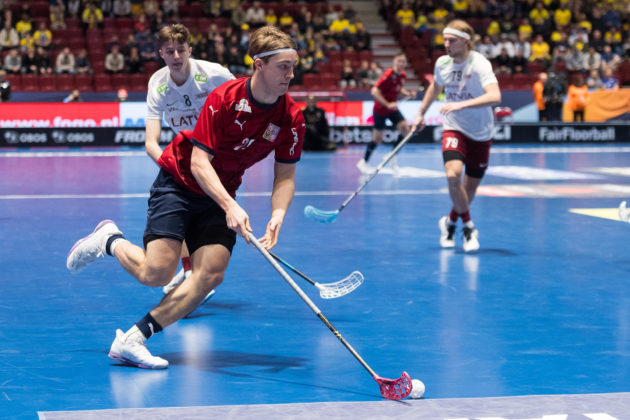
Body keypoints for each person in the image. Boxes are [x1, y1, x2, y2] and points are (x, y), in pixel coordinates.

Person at [66, 25, 304, 369]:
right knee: (156, 274)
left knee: (210, 274)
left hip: (221, 190)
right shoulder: (224, 99)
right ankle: (110, 240)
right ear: (259, 65)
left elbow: (285, 176)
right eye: (284, 66)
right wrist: (231, 205)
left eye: (293, 66)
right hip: (180, 180)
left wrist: (278, 213)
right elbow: (198, 162)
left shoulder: (292, 118)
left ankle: (131, 340)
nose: (291, 75)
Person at [143, 24, 234, 301]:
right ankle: (192, 272)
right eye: (170, 51)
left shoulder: (215, 74)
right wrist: (170, 165)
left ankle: (199, 273)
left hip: (218, 157)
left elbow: (242, 103)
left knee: (211, 218)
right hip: (184, 156)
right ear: (161, 53)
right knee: (178, 216)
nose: (176, 56)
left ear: (190, 49)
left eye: (181, 49)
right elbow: (150, 142)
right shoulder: (157, 83)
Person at [411, 19, 501, 252]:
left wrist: (462, 105)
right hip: (453, 127)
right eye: (445, 41)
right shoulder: (442, 63)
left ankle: (450, 222)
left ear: (466, 41)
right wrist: (421, 113)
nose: (447, 45)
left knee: (469, 189)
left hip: (481, 132)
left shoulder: (479, 64)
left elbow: (495, 96)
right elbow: (435, 88)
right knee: (453, 176)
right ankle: (469, 227)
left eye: (452, 41)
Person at [356, 51, 416, 173]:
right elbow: (374, 91)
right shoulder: (388, 74)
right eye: (399, 61)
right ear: (394, 61)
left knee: (406, 131)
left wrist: (407, 93)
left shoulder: (402, 75)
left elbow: (397, 88)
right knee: (378, 139)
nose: (401, 64)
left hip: (392, 109)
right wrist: (387, 104)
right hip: (380, 109)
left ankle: (391, 155)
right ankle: (364, 162)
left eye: (403, 62)